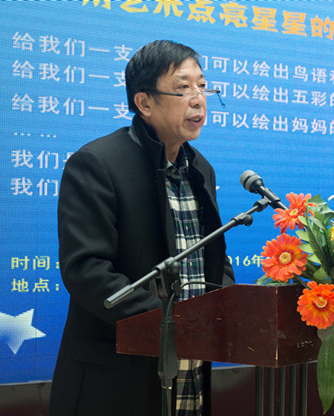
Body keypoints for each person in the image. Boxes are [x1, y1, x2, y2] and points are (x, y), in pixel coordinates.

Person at [49, 40, 235, 416]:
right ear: (144, 103)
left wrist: (227, 310)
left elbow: (212, 256)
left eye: (202, 86)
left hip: (190, 363)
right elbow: (86, 271)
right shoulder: (98, 163)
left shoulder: (200, 168)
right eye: (183, 88)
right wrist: (170, 324)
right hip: (117, 376)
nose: (198, 99)